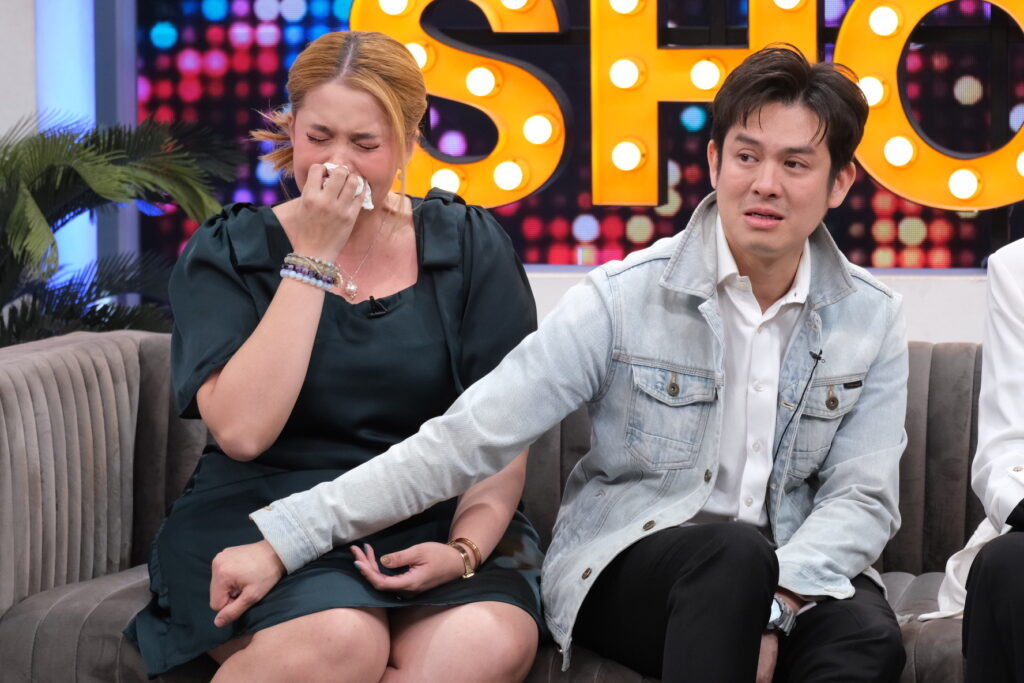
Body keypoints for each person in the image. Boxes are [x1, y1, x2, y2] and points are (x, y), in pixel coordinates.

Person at [211, 45, 909, 682]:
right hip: (638, 561)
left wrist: (776, 607)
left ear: (840, 182)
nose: (765, 184)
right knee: (731, 555)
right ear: (714, 161)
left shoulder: (872, 316)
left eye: (795, 164)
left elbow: (863, 498)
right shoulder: (623, 296)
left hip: (792, 570)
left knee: (865, 641)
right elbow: (468, 436)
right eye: (747, 156)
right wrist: (287, 538)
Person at [125, 30, 544, 683]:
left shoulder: (468, 245)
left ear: (409, 142)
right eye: (318, 137)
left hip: (431, 511)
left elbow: (501, 433)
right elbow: (243, 431)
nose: (336, 164)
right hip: (261, 512)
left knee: (480, 646)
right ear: (291, 129)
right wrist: (313, 257)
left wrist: (466, 549)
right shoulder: (230, 251)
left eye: (365, 144)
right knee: (342, 641)